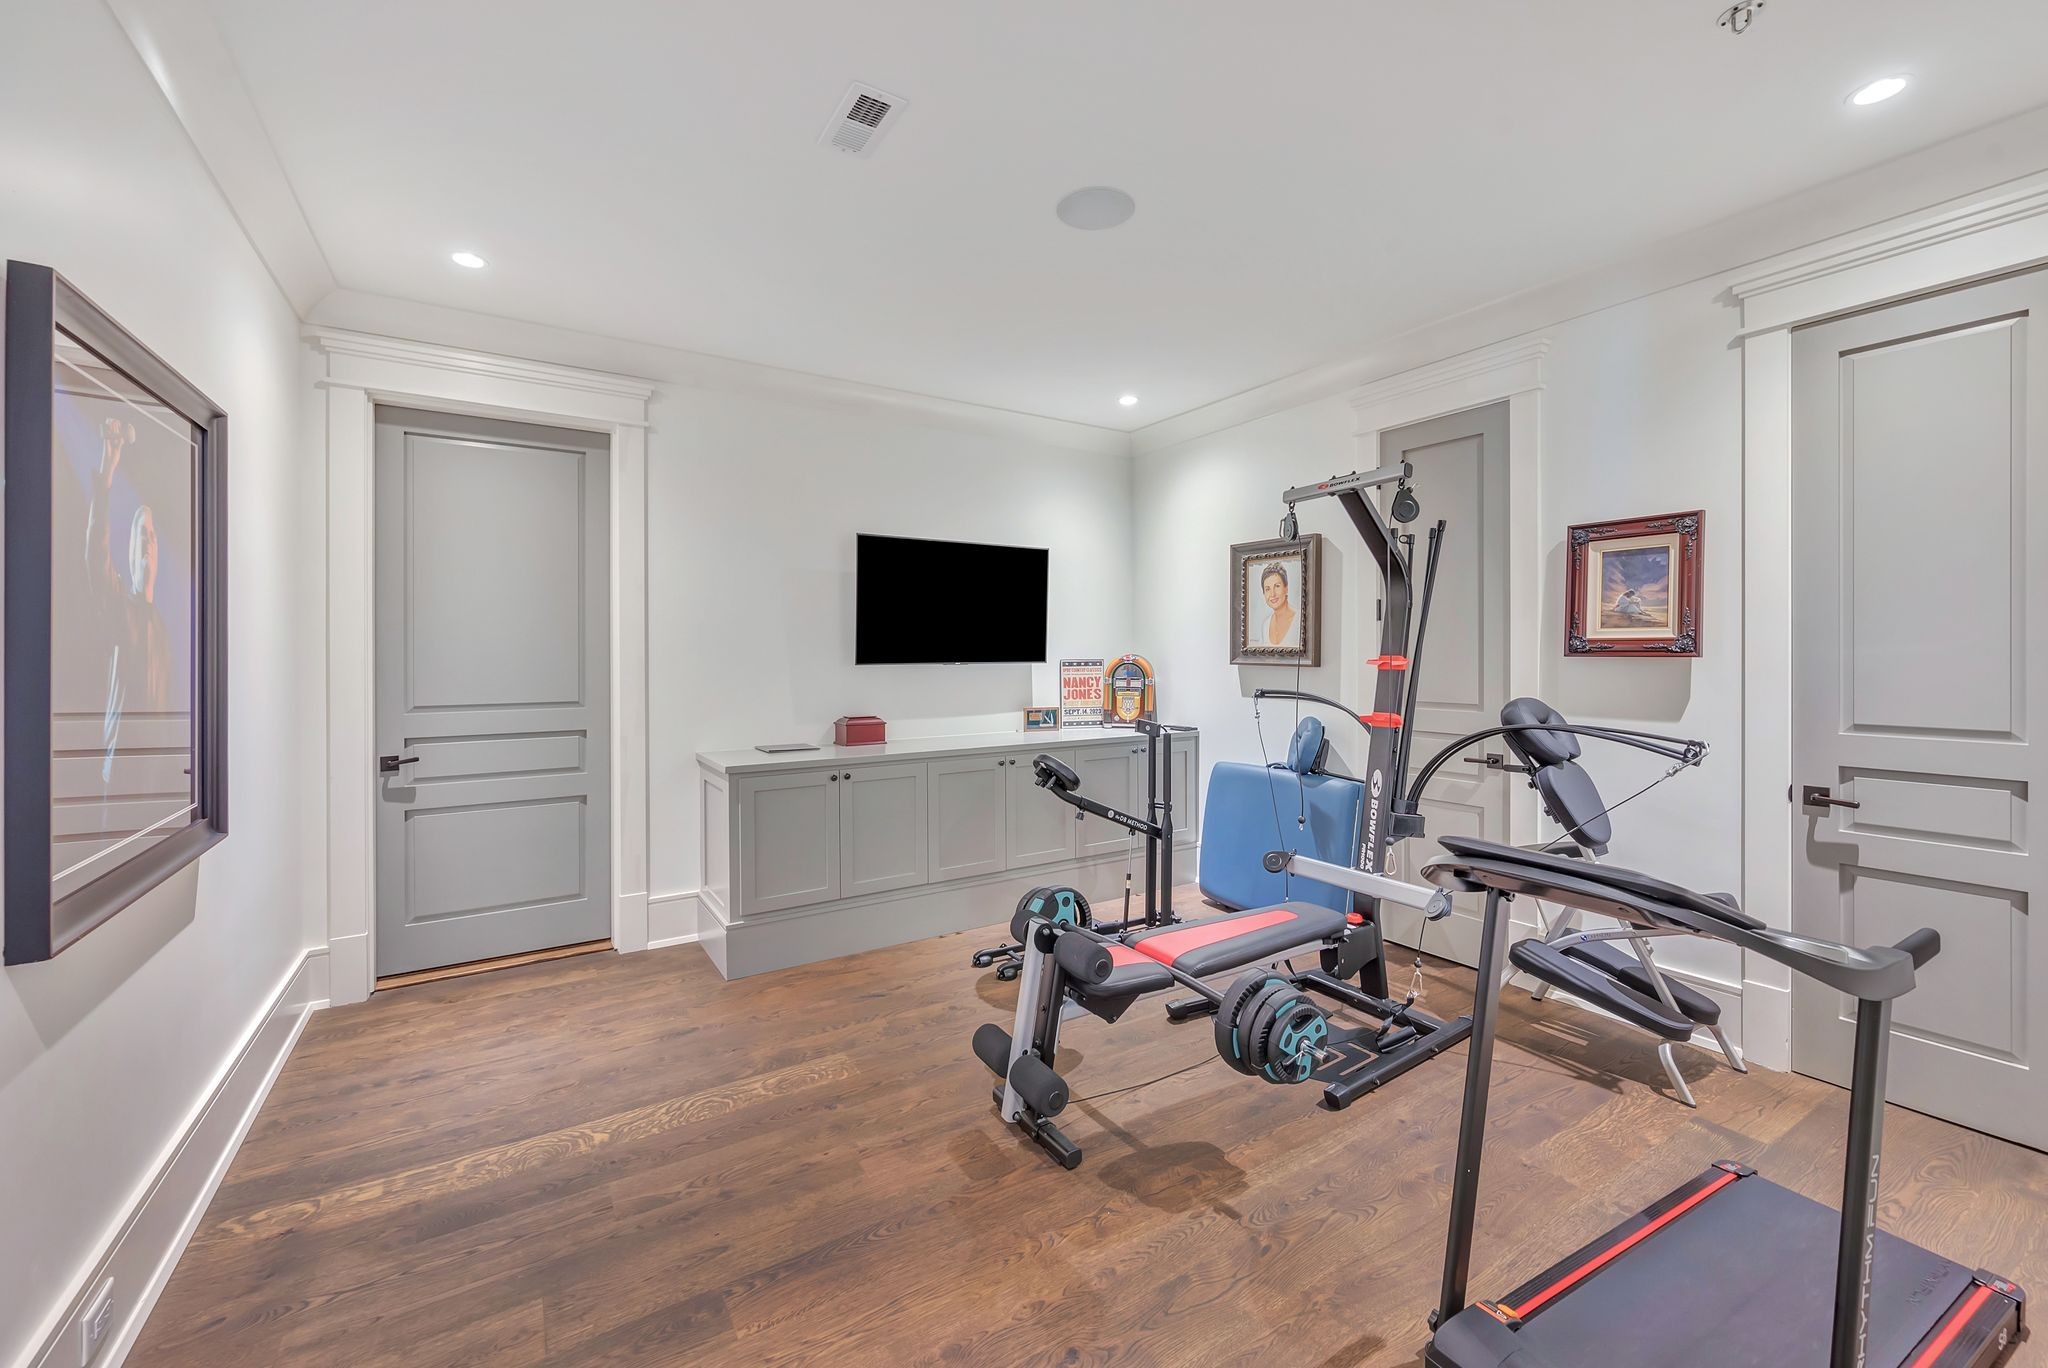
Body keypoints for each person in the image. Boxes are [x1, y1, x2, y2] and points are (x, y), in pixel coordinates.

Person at [85, 416, 172, 784]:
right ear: (130, 547)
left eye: (152, 533)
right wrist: (106, 477)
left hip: (157, 780)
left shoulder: (164, 631)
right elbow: (95, 554)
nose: (148, 540)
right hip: (121, 775)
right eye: (140, 532)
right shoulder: (122, 605)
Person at [1259, 563, 1298, 647]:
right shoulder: (1265, 626)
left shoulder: (1299, 620)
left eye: (1277, 586)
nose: (1272, 594)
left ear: (1286, 588)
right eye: (1267, 589)